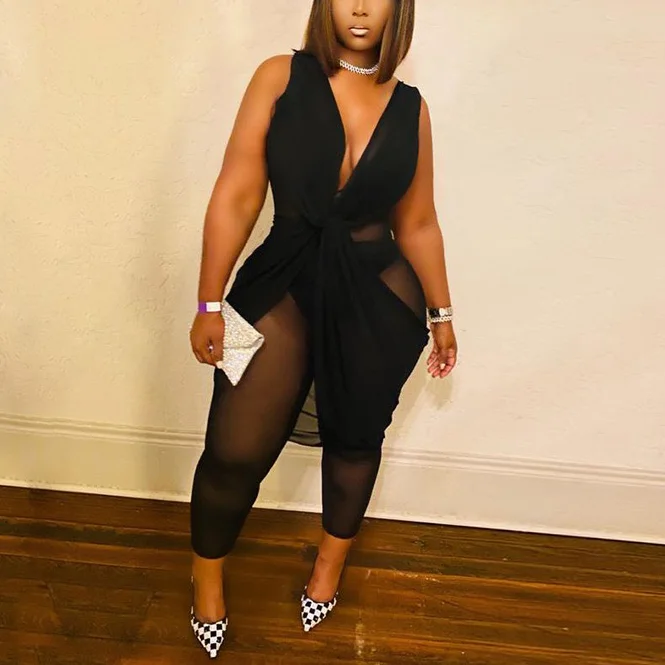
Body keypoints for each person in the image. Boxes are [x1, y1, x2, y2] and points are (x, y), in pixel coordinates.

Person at [187, 0, 457, 657]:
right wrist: (209, 302)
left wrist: (442, 314)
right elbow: (237, 192)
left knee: (356, 441)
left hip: (378, 295)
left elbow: (417, 221)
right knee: (234, 449)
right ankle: (205, 579)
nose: (360, 6)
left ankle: (327, 572)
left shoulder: (412, 108)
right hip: (282, 278)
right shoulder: (279, 77)